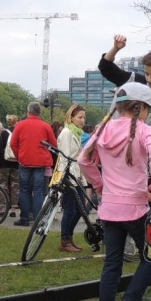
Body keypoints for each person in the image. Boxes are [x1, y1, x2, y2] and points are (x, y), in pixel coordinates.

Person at [78, 82, 151, 301]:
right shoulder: (144, 130)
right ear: (142, 108)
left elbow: (84, 159)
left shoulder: (103, 129)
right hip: (136, 207)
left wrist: (99, 184)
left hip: (110, 208)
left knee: (112, 264)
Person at [99, 35, 151, 139]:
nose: (149, 79)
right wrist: (116, 48)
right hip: (115, 138)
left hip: (144, 146)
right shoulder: (134, 81)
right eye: (147, 74)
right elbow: (105, 67)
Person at [10, 102, 57, 227]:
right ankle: (37, 219)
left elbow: (13, 143)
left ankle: (25, 218)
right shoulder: (46, 126)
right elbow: (53, 145)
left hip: (25, 161)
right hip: (41, 163)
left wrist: (19, 156)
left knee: (24, 190)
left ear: (28, 112)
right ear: (39, 112)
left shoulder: (20, 125)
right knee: (39, 191)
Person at [56, 104, 88, 252]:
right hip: (69, 176)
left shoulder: (76, 133)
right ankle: (65, 240)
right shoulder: (67, 133)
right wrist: (64, 178)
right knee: (71, 209)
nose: (82, 120)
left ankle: (68, 237)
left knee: (81, 209)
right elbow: (64, 157)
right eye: (79, 117)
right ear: (71, 117)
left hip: (77, 176)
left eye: (83, 117)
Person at [0, 115, 20, 214]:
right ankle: (14, 208)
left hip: (4, 162)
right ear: (16, 121)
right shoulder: (18, 132)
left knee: (3, 184)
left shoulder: (4, 133)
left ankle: (3, 207)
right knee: (15, 185)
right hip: (16, 163)